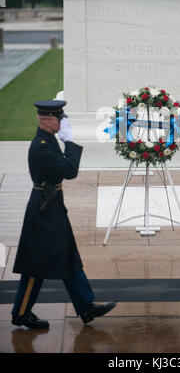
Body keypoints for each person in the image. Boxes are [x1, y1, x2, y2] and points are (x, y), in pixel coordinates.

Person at [11, 100, 116, 329]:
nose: (64, 122)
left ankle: (86, 306)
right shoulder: (42, 146)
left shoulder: (48, 140)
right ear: (48, 121)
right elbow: (69, 171)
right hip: (43, 210)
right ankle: (20, 313)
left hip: (52, 205)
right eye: (60, 119)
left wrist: (65, 140)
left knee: (68, 255)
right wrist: (69, 141)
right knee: (34, 264)